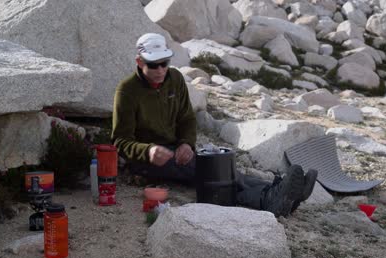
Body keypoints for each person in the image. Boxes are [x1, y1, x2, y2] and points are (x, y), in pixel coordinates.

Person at [111, 33, 317, 217]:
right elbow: (120, 141)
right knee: (211, 171)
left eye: (164, 63)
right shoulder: (127, 91)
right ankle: (267, 199)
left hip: (175, 150)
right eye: (153, 64)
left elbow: (186, 119)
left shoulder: (174, 78)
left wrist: (186, 143)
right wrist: (148, 151)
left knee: (219, 162)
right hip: (148, 160)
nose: (160, 70)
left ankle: (283, 192)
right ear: (139, 62)